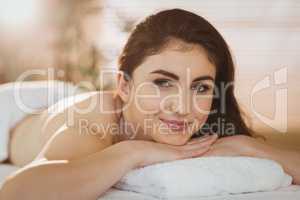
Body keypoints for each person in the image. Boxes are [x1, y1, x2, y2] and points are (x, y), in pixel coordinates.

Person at [1, 8, 299, 200]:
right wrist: (134, 150)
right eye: (162, 82)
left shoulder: (203, 121)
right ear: (124, 86)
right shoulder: (96, 119)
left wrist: (248, 146)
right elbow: (18, 192)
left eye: (200, 87)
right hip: (15, 113)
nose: (182, 107)